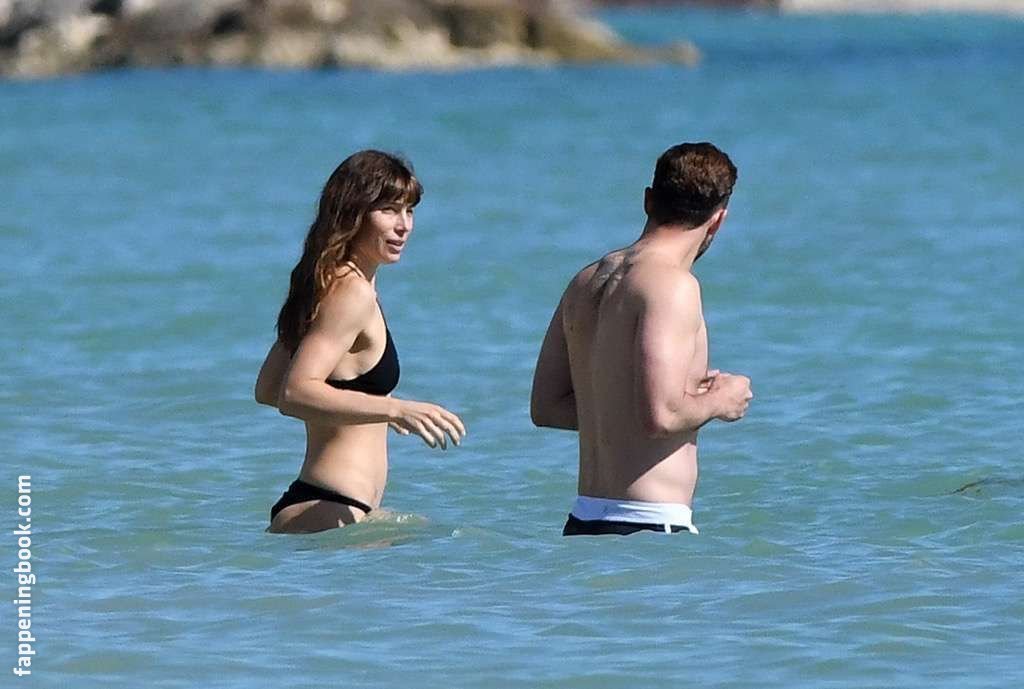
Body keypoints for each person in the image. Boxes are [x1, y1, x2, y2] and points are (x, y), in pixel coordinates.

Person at [530, 142, 753, 536]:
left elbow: (547, 407)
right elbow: (661, 416)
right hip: (648, 525)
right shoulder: (674, 286)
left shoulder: (586, 280)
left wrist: (639, 404)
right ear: (718, 220)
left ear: (648, 200)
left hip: (583, 521)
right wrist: (722, 399)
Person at [255, 150, 465, 534]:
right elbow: (293, 393)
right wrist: (395, 410)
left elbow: (267, 389)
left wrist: (369, 407)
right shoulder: (350, 293)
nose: (404, 225)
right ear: (353, 213)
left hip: (326, 504)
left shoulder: (327, 283)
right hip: (329, 507)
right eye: (389, 210)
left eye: (409, 211)